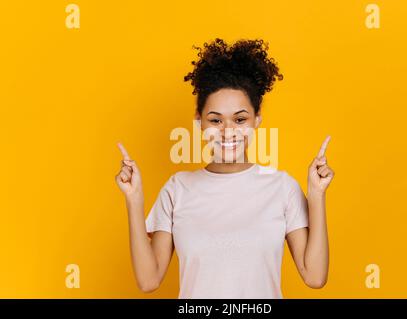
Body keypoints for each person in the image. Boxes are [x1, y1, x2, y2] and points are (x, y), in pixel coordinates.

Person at [115, 38, 335, 298]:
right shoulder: (177, 189)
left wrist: (317, 194)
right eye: (215, 120)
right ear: (199, 122)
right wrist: (133, 199)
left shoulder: (282, 188)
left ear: (256, 120)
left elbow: (315, 275)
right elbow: (148, 280)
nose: (228, 131)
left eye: (240, 119)